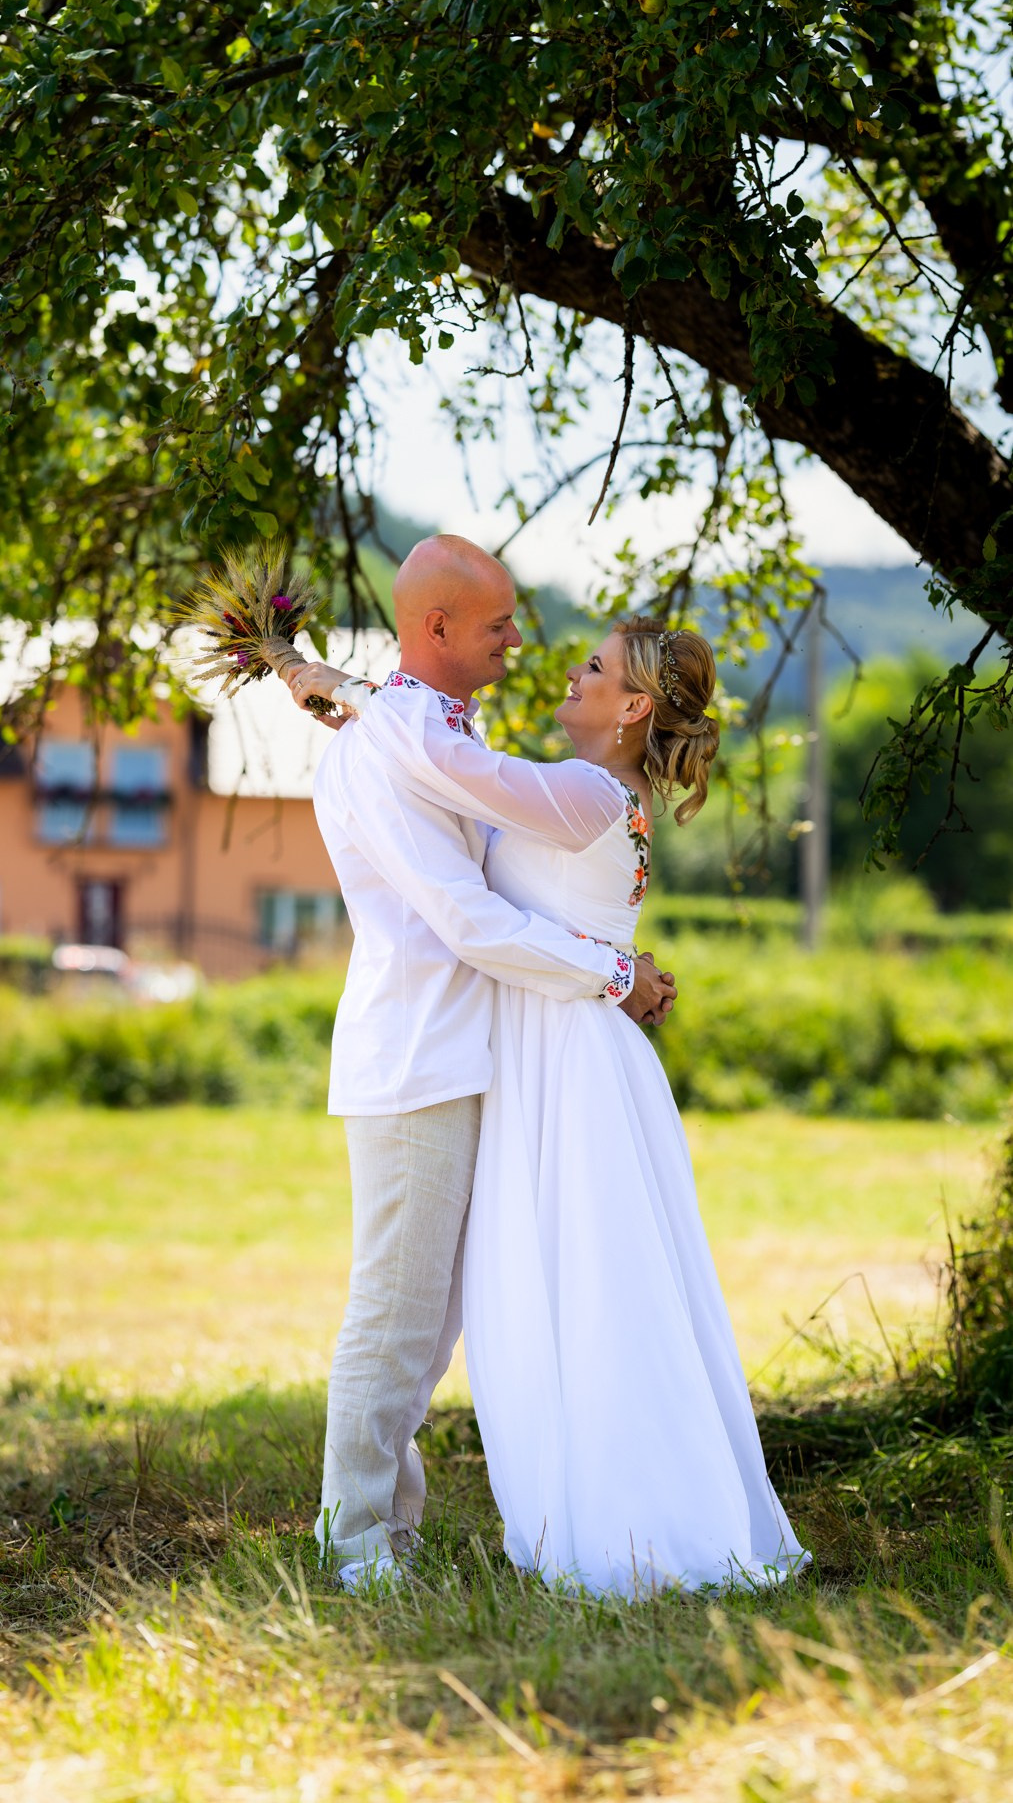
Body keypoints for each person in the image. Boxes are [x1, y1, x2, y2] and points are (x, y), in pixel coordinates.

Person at [286, 592, 808, 1594]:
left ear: (633, 709)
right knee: (565, 1285)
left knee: (592, 1286)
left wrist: (350, 688)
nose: (573, 670)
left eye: (598, 669)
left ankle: (628, 1518)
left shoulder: (585, 791)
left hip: (565, 1056)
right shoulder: (590, 791)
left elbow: (459, 771)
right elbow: (450, 776)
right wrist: (356, 714)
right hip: (545, 1045)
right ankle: (581, 1499)